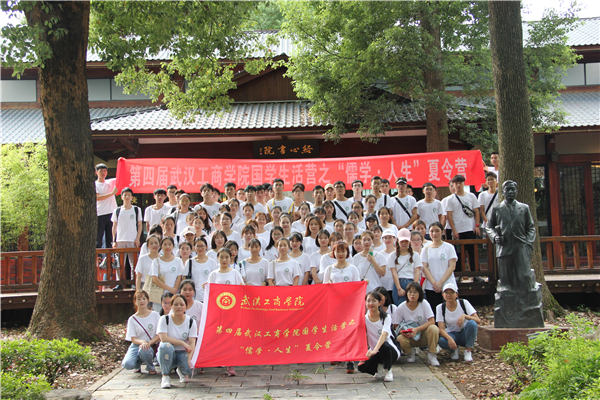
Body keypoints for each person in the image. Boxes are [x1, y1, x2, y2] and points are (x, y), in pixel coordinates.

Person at [392, 282, 440, 366]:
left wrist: (417, 329)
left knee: (434, 328)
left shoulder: (424, 303)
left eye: (415, 292)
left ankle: (432, 354)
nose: (412, 294)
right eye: (410, 292)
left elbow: (432, 321)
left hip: (424, 334)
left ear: (420, 294)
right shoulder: (401, 307)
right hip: (410, 336)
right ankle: (410, 352)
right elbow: (396, 326)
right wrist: (403, 332)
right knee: (400, 339)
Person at [358, 290, 400, 382]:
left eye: (374, 301)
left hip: (390, 351)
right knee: (361, 367)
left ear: (380, 303)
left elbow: (384, 334)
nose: (371, 303)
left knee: (384, 346)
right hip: (375, 351)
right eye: (368, 301)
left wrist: (375, 350)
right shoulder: (364, 319)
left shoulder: (386, 317)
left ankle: (388, 370)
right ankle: (379, 367)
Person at [157, 294, 197, 388]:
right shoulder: (164, 319)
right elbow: (163, 338)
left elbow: (192, 342)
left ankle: (181, 371)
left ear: (186, 306)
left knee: (189, 369)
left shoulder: (191, 321)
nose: (179, 307)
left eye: (181, 304)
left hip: (182, 352)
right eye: (176, 304)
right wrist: (182, 343)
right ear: (171, 306)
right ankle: (165, 376)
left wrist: (189, 359)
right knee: (165, 346)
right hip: (168, 352)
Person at [436, 282, 480, 362]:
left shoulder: (464, 303)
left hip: (464, 333)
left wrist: (465, 316)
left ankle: (468, 351)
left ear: (456, 295)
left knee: (472, 323)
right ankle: (454, 350)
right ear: (443, 295)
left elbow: (478, 320)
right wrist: (449, 338)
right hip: (451, 334)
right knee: (442, 341)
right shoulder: (440, 307)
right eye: (446, 292)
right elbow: (441, 328)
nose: (449, 295)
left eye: (452, 292)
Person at [445, 174, 480, 273]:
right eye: (456, 183)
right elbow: (449, 216)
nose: (458, 185)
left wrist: (477, 225)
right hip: (458, 230)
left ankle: (475, 273)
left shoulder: (471, 196)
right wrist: (454, 230)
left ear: (464, 183)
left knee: (472, 252)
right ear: (453, 184)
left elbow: (476, 211)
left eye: (460, 183)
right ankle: (458, 274)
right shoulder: (450, 199)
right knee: (458, 254)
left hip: (470, 228)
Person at [111, 187, 143, 290]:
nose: (127, 197)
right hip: (120, 240)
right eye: (125, 195)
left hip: (132, 239)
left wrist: (137, 238)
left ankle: (134, 282)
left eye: (129, 195)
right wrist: (114, 240)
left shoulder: (136, 210)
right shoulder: (117, 210)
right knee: (119, 264)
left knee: (134, 263)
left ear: (132, 197)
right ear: (122, 197)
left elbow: (140, 225)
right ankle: (119, 283)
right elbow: (114, 226)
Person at [421, 222, 458, 311]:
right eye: (432, 231)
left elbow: (452, 266)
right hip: (431, 286)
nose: (434, 234)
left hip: (448, 283)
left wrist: (441, 282)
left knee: (450, 310)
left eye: (437, 231)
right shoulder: (425, 249)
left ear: (442, 232)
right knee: (435, 311)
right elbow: (424, 267)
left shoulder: (449, 247)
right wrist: (434, 283)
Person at [122, 290, 160, 375]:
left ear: (148, 300)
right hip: (136, 345)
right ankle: (137, 363)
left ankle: (150, 367)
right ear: (135, 302)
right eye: (138, 299)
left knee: (144, 349)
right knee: (127, 364)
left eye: (144, 298)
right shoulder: (132, 319)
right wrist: (142, 342)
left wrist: (148, 343)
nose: (141, 301)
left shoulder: (155, 315)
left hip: (151, 344)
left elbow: (159, 335)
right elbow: (133, 339)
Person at [388, 229, 423, 306]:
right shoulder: (392, 255)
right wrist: (399, 288)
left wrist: (415, 287)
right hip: (399, 282)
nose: (404, 243)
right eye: (402, 241)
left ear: (409, 241)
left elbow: (417, 271)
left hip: (411, 281)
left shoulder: (415, 255)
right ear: (398, 241)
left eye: (406, 241)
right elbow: (394, 272)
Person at [149, 237, 184, 312]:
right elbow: (155, 278)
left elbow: (179, 277)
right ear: (161, 246)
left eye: (169, 244)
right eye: (165, 244)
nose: (167, 247)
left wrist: (175, 289)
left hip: (174, 295)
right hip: (158, 294)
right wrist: (169, 289)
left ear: (173, 246)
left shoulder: (178, 261)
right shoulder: (156, 261)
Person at [187, 237, 217, 301]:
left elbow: (215, 279)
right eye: (198, 246)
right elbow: (185, 279)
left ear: (206, 247)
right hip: (193, 296)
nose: (200, 248)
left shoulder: (212, 262)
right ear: (194, 248)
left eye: (202, 246)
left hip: (208, 295)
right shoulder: (190, 262)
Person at [96, 163, 118, 249]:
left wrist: (121, 161)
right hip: (100, 214)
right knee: (99, 238)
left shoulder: (110, 182)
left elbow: (121, 176)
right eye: (101, 171)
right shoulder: (95, 184)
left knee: (111, 238)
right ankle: (98, 256)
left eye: (105, 171)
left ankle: (111, 256)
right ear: (96, 172)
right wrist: (112, 193)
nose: (103, 173)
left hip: (112, 213)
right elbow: (98, 198)